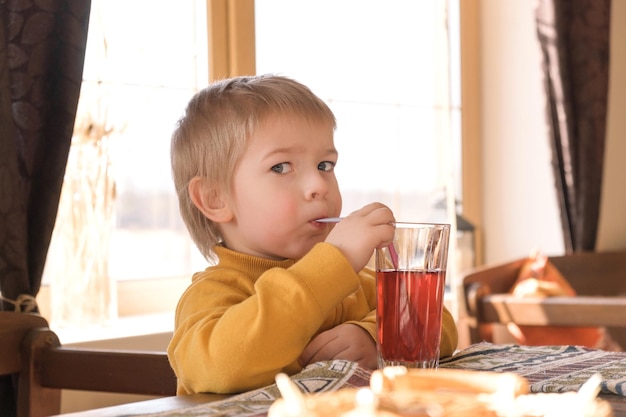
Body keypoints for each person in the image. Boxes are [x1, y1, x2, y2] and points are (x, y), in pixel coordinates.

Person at [167, 74, 458, 395]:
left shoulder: (354, 282)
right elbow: (222, 366)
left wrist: (373, 335)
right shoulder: (215, 293)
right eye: (281, 167)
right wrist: (336, 262)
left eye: (324, 165)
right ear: (215, 198)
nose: (319, 185)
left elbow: (438, 322)